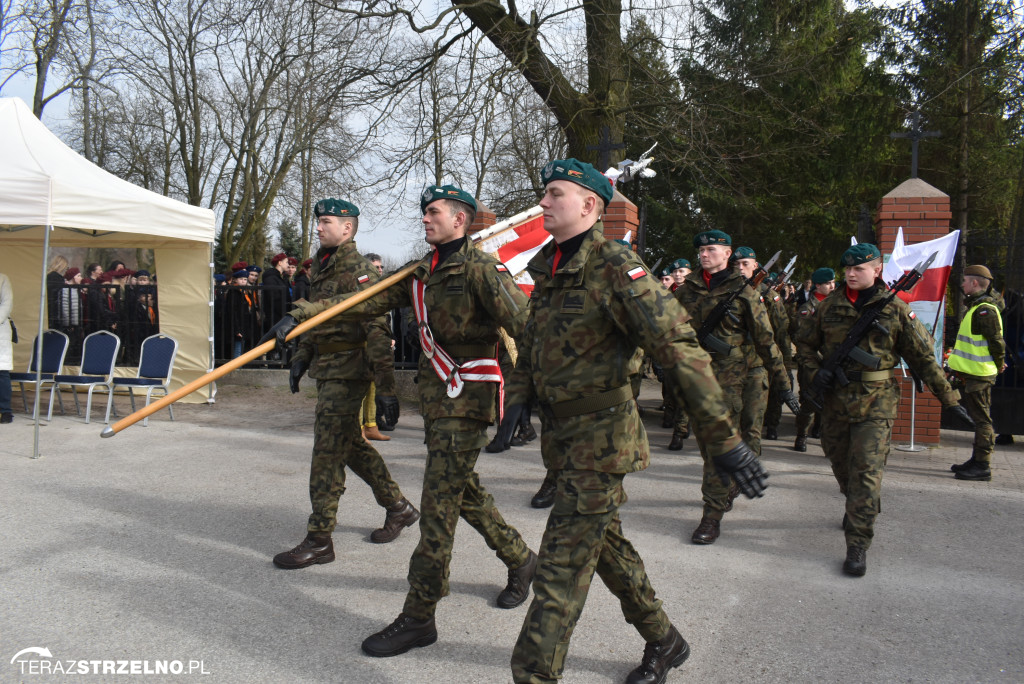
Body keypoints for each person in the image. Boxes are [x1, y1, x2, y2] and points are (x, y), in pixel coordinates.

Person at [502, 159, 765, 684]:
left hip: (602, 444)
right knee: (606, 550)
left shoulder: (616, 267)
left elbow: (678, 349)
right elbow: (532, 343)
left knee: (559, 571)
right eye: (544, 193)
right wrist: (518, 401)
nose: (544, 202)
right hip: (562, 441)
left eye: (555, 194)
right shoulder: (548, 267)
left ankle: (533, 673)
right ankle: (665, 641)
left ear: (590, 205)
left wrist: (724, 439)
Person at [267, 185, 538, 656]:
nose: (424, 218)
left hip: (469, 398)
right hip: (437, 400)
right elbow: (360, 303)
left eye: (433, 212)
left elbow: (528, 331)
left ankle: (419, 616)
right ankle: (520, 557)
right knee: (459, 488)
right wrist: (299, 317)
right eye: (424, 212)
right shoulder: (420, 272)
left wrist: (527, 399)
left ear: (461, 220)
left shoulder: (481, 270)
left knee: (438, 506)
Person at [794, 243, 963, 576]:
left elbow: (922, 359)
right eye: (848, 269)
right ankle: (858, 502)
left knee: (867, 474)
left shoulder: (895, 309)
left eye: (859, 268)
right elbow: (804, 346)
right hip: (835, 400)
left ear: (877, 271)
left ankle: (858, 542)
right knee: (841, 463)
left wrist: (950, 399)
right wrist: (816, 372)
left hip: (877, 401)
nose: (852, 274)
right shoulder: (827, 308)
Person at [268, 198, 418, 570]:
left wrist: (386, 389)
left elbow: (377, 329)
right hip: (328, 367)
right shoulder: (323, 263)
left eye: (327, 222)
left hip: (350, 370)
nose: (318, 227)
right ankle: (398, 507)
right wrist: (302, 356)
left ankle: (320, 539)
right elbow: (318, 320)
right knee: (349, 445)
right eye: (318, 221)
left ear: (347, 228)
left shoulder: (359, 269)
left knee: (327, 451)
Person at [674, 232, 795, 545]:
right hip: (695, 378)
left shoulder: (743, 291)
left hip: (730, 381)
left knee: (716, 449)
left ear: (726, 253)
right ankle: (729, 480)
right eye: (700, 249)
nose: (704, 254)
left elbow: (767, 341)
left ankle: (711, 515)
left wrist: (783, 386)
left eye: (711, 249)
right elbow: (668, 326)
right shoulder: (687, 289)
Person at [948, 264, 1006, 481]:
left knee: (982, 420)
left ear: (974, 283)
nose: (962, 284)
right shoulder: (977, 306)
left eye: (964, 280)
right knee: (979, 417)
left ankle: (982, 466)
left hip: (980, 375)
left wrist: (999, 363)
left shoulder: (985, 310)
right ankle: (976, 459)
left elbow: (996, 342)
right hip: (974, 374)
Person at [790, 267, 835, 452]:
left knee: (828, 401)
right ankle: (802, 435)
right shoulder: (807, 309)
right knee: (809, 401)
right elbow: (801, 339)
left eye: (833, 283)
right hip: (812, 364)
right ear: (817, 285)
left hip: (831, 363)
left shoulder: (837, 306)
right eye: (828, 283)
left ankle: (819, 429)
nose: (832, 286)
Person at [0, 271, 13, 424]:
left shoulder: (3, 278)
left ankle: (5, 410)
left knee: (1, 373)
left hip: (1, 330)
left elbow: (6, 303)